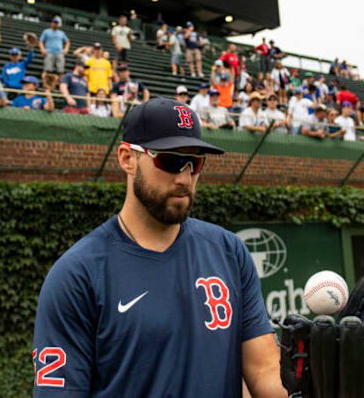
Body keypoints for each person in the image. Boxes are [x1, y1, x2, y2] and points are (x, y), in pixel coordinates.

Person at [32, 97, 285, 397]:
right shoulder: (77, 274)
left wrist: (305, 389)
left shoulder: (229, 251)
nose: (184, 178)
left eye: (195, 163)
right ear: (127, 158)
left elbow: (263, 371)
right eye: (170, 160)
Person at [39, 16, 70, 89]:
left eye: (56, 23)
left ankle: (61, 86)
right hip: (49, 52)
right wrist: (42, 49)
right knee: (47, 70)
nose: (55, 24)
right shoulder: (46, 31)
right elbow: (41, 41)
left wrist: (66, 49)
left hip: (59, 52)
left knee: (61, 71)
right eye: (54, 22)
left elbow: (67, 41)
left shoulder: (61, 33)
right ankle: (45, 84)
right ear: (51, 23)